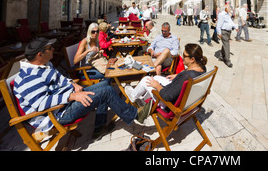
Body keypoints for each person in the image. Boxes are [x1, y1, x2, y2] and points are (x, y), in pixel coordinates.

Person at [13, 37, 153, 141]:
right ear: (39, 54)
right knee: (106, 91)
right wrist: (71, 96)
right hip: (56, 115)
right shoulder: (28, 78)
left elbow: (60, 79)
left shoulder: (45, 64)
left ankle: (99, 128)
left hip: (64, 103)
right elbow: (41, 104)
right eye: (50, 48)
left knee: (105, 85)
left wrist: (72, 84)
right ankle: (136, 115)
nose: (53, 49)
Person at [125, 43, 207, 108]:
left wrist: (157, 86)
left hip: (168, 103)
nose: (182, 57)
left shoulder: (186, 76)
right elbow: (187, 74)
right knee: (156, 77)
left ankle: (133, 97)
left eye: (184, 55)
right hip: (180, 94)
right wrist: (178, 75)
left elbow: (167, 96)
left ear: (192, 59)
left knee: (146, 79)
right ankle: (144, 99)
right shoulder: (202, 68)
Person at [216, 4, 238, 68]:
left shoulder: (227, 14)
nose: (230, 9)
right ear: (225, 8)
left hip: (228, 32)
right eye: (229, 8)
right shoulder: (222, 15)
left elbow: (230, 22)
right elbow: (218, 25)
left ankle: (221, 57)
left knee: (225, 44)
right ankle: (227, 60)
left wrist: (235, 27)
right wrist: (219, 33)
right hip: (224, 32)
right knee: (227, 45)